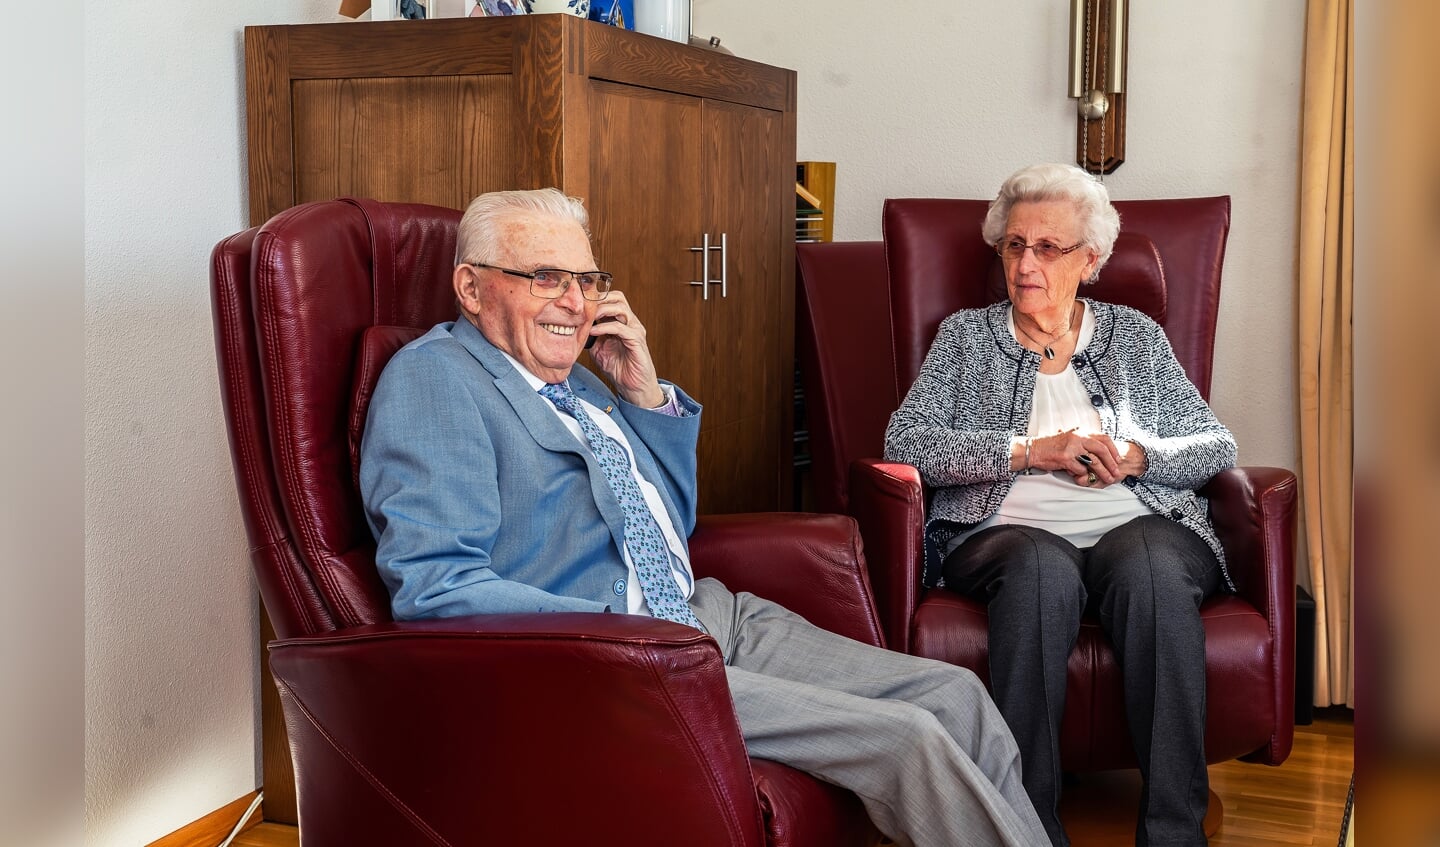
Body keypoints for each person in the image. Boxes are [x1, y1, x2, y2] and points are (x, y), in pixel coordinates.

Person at [359, 187, 1051, 847]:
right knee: (909, 740)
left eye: (587, 278)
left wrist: (643, 391)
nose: (575, 302)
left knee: (957, 695)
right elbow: (437, 586)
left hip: (705, 615)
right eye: (545, 277)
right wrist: (619, 636)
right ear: (472, 287)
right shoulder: (436, 380)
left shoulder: (571, 381)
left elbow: (669, 524)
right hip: (626, 659)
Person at [884, 163, 1237, 847]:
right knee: (1042, 570)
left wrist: (1139, 457)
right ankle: (1026, 829)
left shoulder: (1135, 336)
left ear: (1090, 259)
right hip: (1007, 533)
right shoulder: (965, 338)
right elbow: (906, 439)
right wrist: (1026, 451)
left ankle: (1174, 833)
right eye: (1015, 245)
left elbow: (1214, 442)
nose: (1025, 264)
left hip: (1140, 523)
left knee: (1154, 569)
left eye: (1048, 248)